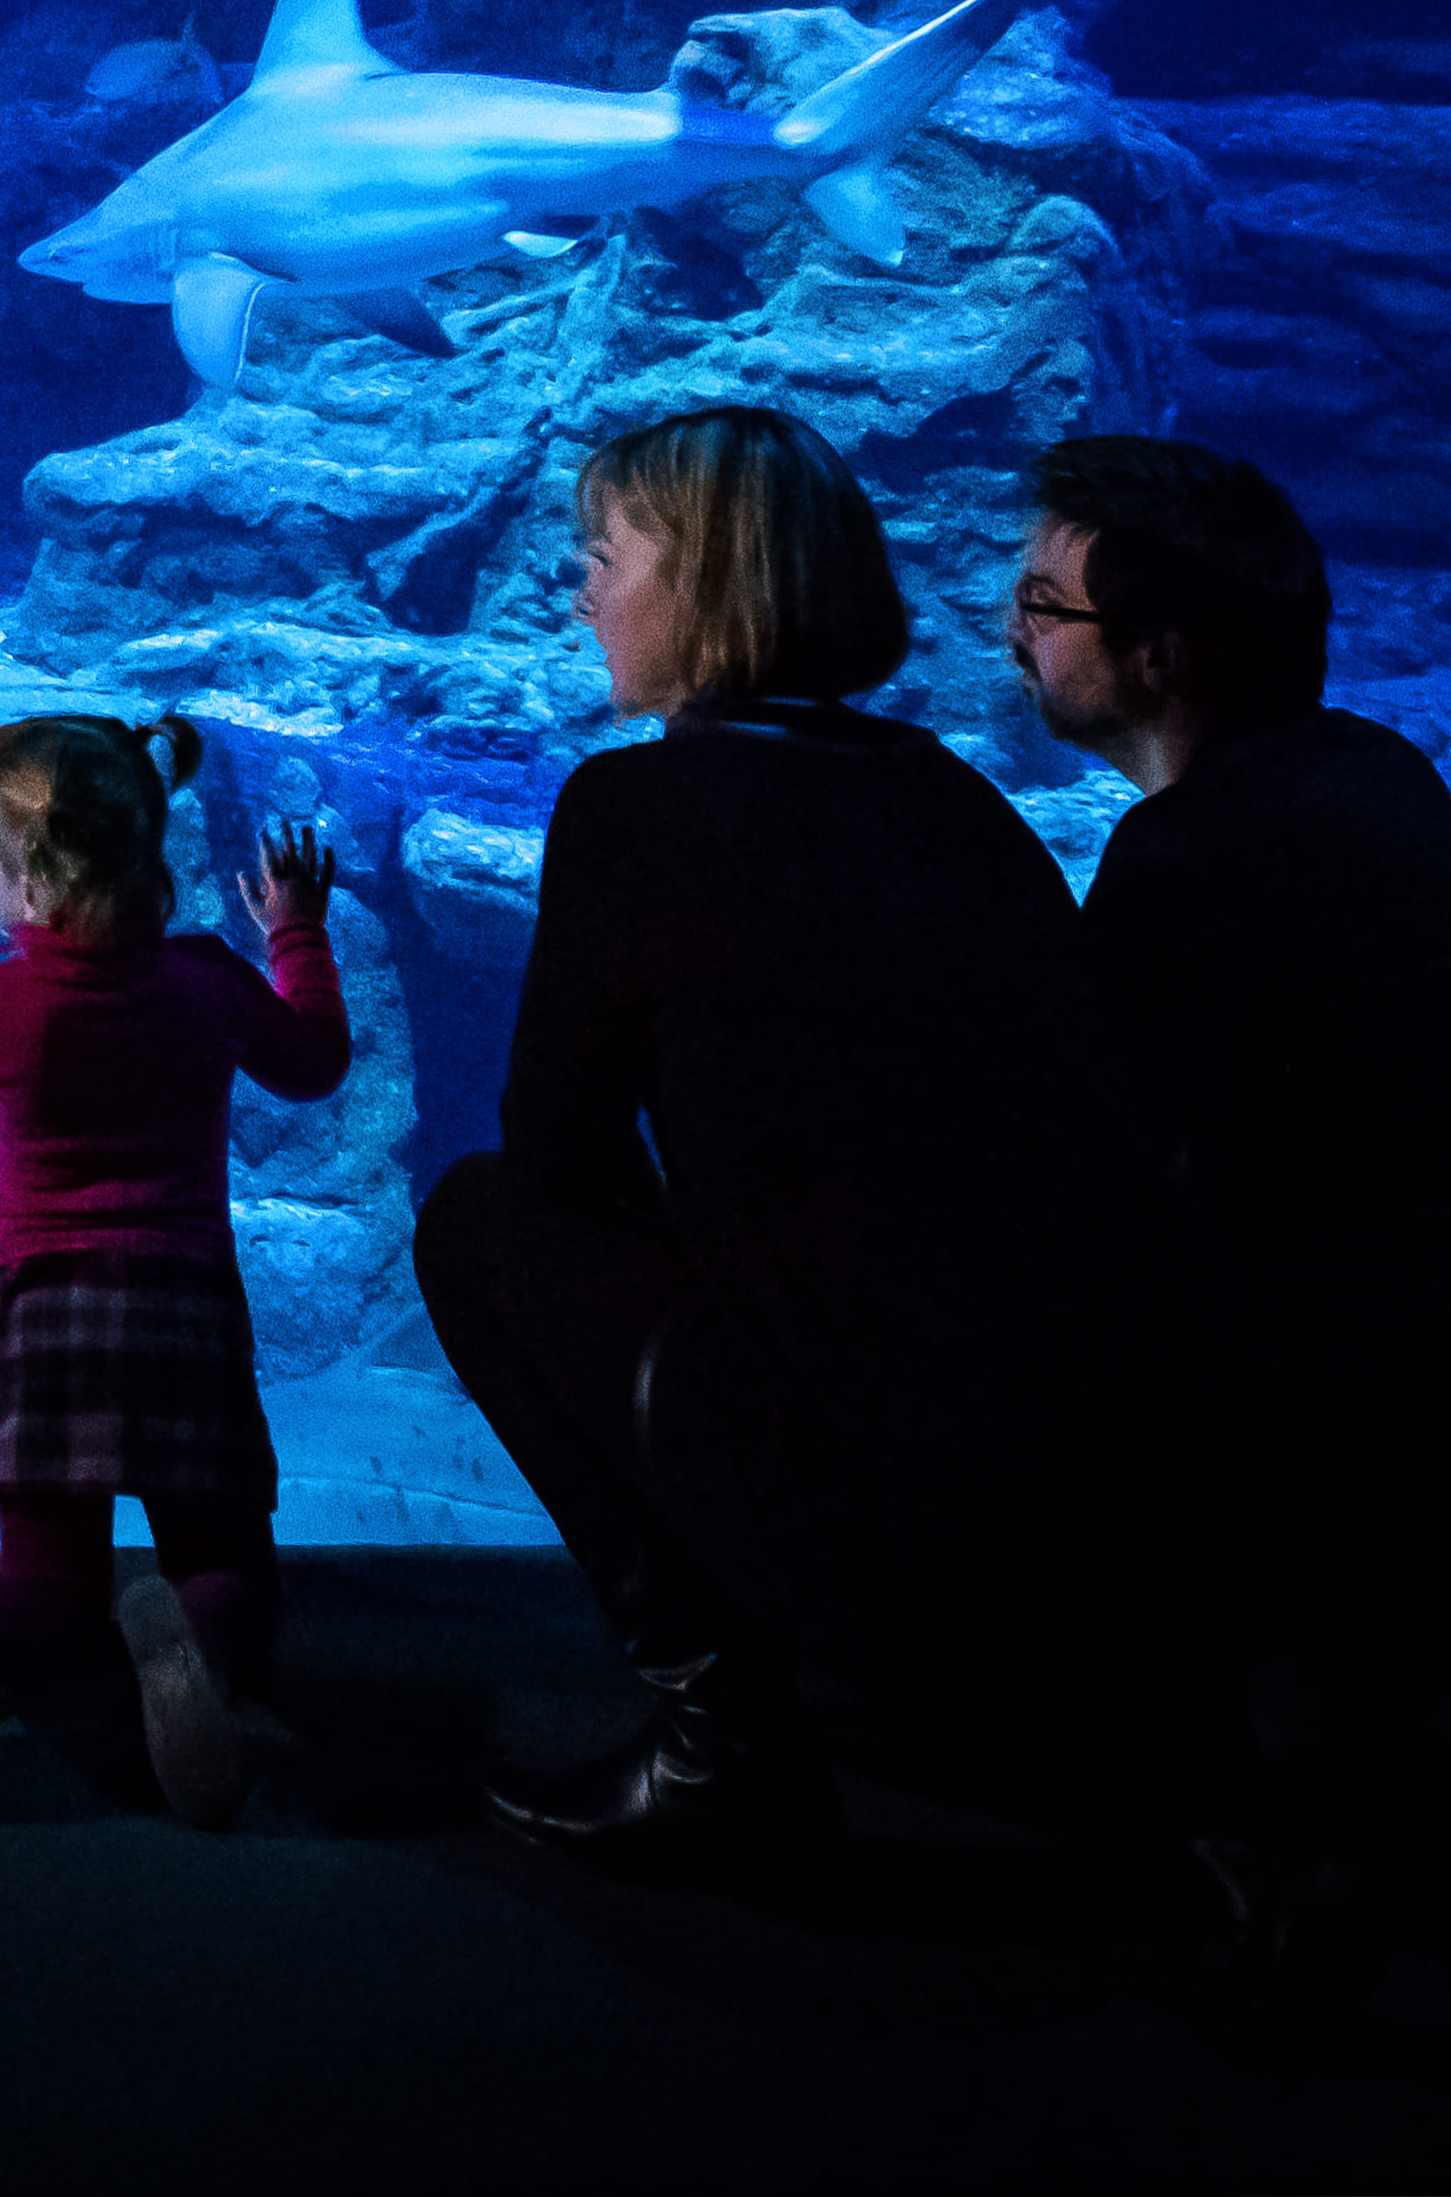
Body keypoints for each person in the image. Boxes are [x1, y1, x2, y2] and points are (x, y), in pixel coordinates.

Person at [411, 404, 1138, 1869]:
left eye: (602, 556)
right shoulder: (954, 799)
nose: (579, 593)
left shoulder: (634, 802)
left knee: (479, 1221)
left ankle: (718, 1731)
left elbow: (555, 1150)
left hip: (848, 1469)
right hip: (1069, 1478)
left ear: (700, 578)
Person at [1014, 434, 1451, 1985]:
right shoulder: (1362, 775)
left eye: (1041, 604)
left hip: (1411, 1438)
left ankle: (1272, 1798)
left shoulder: (1195, 854)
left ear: (1156, 654)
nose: (1009, 630)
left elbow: (1111, 1186)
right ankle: (1340, 1674)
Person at [0, 711, 350, 1826]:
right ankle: (199, 1653)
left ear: (32, 880)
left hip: (45, 1318)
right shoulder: (207, 980)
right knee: (224, 1557)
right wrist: (295, 933)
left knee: (47, 1585)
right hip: (182, 1310)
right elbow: (316, 1061)